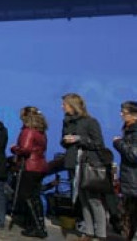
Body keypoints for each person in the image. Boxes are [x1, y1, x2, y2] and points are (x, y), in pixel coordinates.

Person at [61, 93, 109, 240]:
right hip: (73, 162)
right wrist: (65, 140)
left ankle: (100, 233)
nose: (62, 107)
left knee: (93, 200)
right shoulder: (67, 122)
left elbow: (99, 143)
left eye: (65, 104)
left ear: (72, 105)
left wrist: (79, 139)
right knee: (82, 199)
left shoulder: (90, 122)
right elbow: (63, 142)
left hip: (87, 164)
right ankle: (88, 231)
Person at [11, 106, 50, 238]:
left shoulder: (28, 131)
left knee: (26, 196)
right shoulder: (41, 132)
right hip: (40, 165)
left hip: (29, 166)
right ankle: (39, 224)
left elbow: (25, 149)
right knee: (35, 196)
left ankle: (37, 227)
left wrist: (14, 148)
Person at [114, 101, 137, 241]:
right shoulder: (130, 129)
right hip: (131, 180)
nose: (121, 114)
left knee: (133, 216)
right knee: (130, 217)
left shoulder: (135, 131)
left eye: (124, 112)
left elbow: (134, 155)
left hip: (134, 181)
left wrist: (118, 143)